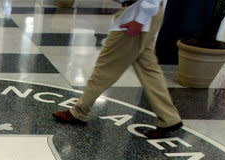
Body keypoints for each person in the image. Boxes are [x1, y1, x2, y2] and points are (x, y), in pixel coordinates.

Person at [52, 0, 182, 139]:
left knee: (106, 66)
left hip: (138, 13)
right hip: (143, 13)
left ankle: (79, 111)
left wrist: (139, 20)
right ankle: (169, 118)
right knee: (148, 68)